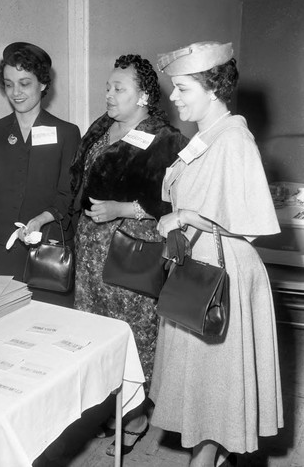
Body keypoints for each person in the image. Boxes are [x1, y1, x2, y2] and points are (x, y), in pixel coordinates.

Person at [150, 41, 284, 467]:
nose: (173, 97)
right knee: (202, 377)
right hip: (197, 263)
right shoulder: (204, 137)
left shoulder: (234, 139)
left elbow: (251, 223)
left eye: (183, 89)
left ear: (213, 89)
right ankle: (207, 449)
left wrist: (186, 214)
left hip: (223, 270)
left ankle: (206, 454)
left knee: (216, 375)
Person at [70, 54, 188, 456]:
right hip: (90, 251)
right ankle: (110, 406)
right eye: (108, 86)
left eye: (118, 88)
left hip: (131, 250)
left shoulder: (165, 138)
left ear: (143, 96)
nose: (108, 94)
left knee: (133, 336)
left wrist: (123, 209)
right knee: (97, 334)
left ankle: (136, 417)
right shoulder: (101, 128)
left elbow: (176, 201)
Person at [0, 42, 81, 306]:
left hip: (48, 246)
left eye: (25, 83)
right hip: (3, 248)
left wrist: (42, 218)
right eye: (9, 84)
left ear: (43, 84)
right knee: (4, 324)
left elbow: (69, 193)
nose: (16, 92)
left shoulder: (67, 133)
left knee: (49, 324)